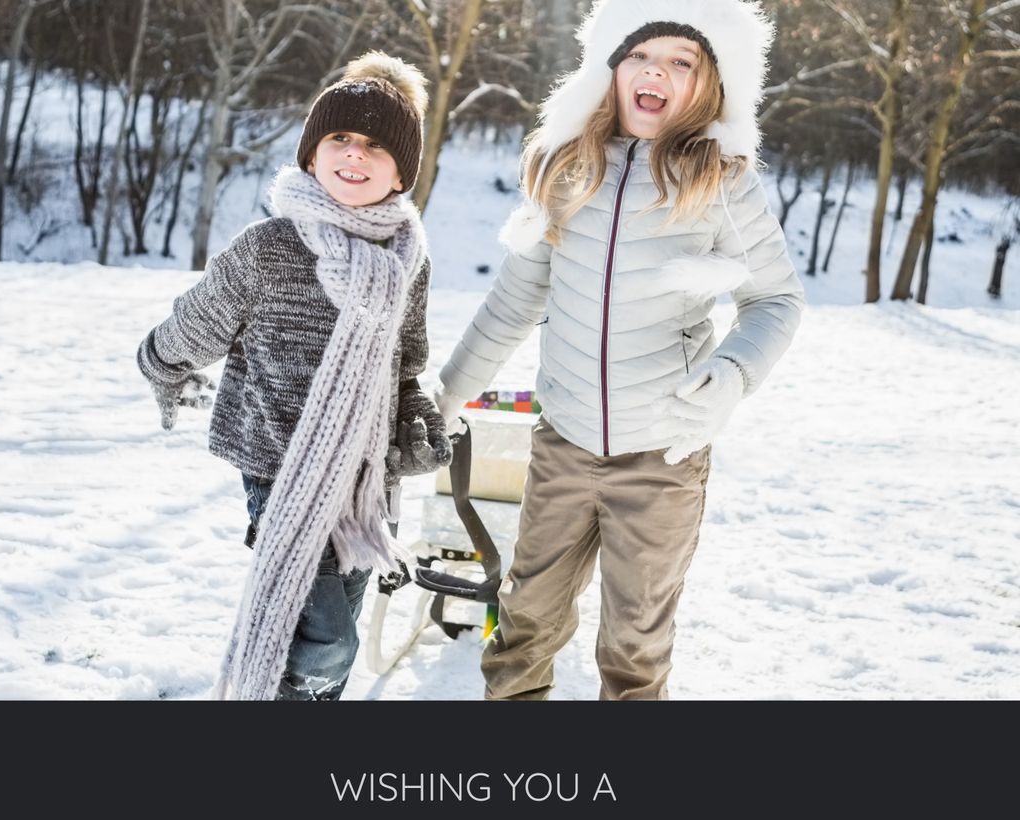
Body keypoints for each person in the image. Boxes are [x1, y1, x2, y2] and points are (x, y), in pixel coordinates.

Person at [434, 0, 804, 700]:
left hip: (663, 458)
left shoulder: (723, 181)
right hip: (563, 446)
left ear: (710, 82)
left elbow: (776, 300)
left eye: (680, 60)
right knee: (523, 623)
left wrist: (732, 375)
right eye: (639, 54)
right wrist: (450, 392)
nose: (655, 71)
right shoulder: (563, 166)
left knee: (636, 647)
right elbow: (515, 300)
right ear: (608, 66)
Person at [136, 52, 451, 701]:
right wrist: (161, 363)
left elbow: (406, 362)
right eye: (340, 137)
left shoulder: (408, 258)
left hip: (364, 479)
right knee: (326, 640)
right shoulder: (269, 247)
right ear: (311, 155)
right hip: (279, 466)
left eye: (376, 145)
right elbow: (200, 320)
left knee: (339, 621)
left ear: (401, 173)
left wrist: (417, 419)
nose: (354, 153)